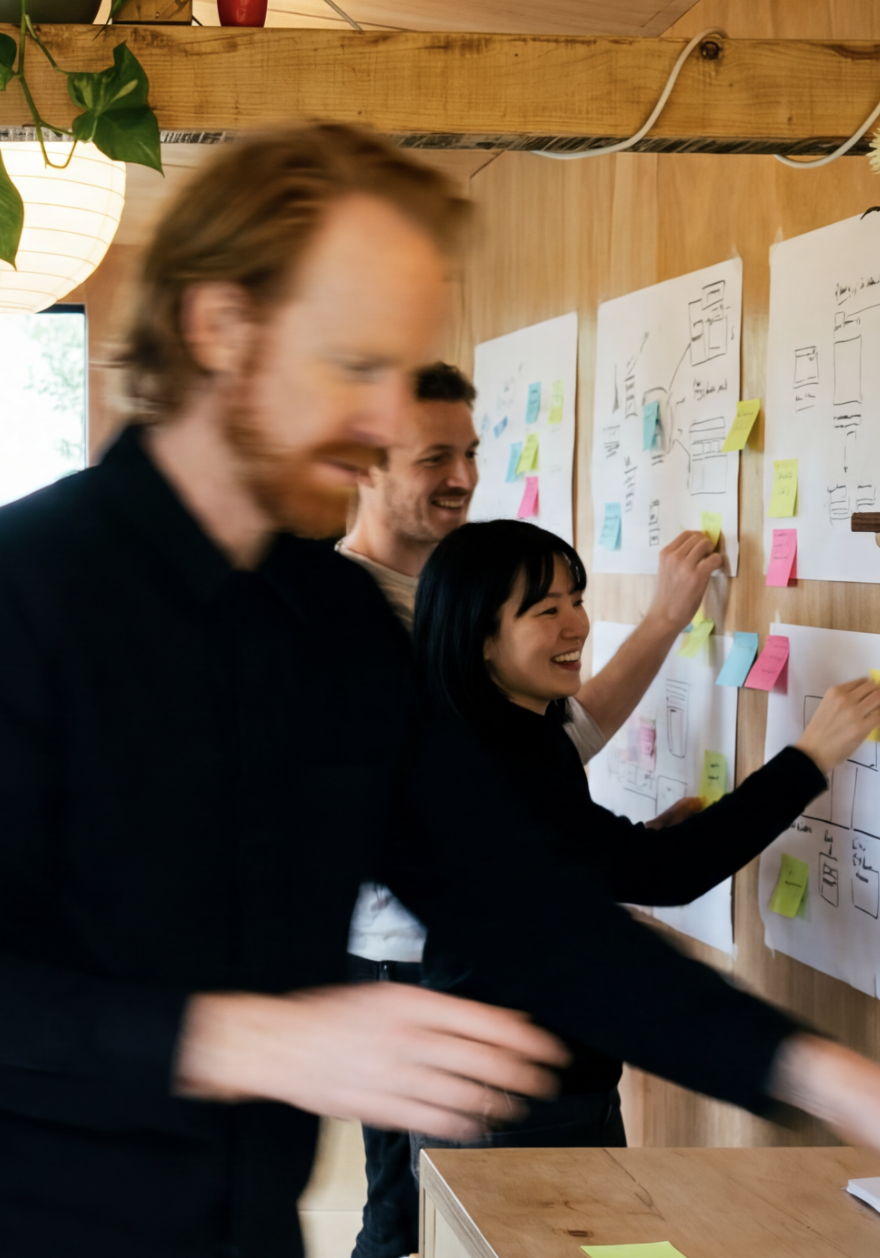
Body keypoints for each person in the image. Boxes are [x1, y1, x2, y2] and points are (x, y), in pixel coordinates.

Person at [0, 122, 880, 1258]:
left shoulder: (330, 627)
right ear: (220, 328)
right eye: (355, 363)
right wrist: (260, 1034)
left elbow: (529, 909)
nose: (385, 426)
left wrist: (845, 1084)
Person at [351, 519, 880, 1255]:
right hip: (516, 1100)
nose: (578, 623)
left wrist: (627, 849)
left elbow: (579, 862)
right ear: (479, 636)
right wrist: (811, 755)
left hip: (545, 1083)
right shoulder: (495, 754)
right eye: (546, 610)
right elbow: (666, 874)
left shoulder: (515, 727)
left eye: (577, 597)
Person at [338, 364, 727, 1257]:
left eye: (470, 452)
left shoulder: (460, 586)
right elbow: (491, 780)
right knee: (414, 1213)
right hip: (411, 958)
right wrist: (665, 623)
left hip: (464, 956)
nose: (464, 477)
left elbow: (540, 749)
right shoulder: (355, 613)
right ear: (363, 463)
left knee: (434, 1208)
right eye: (434, 455)